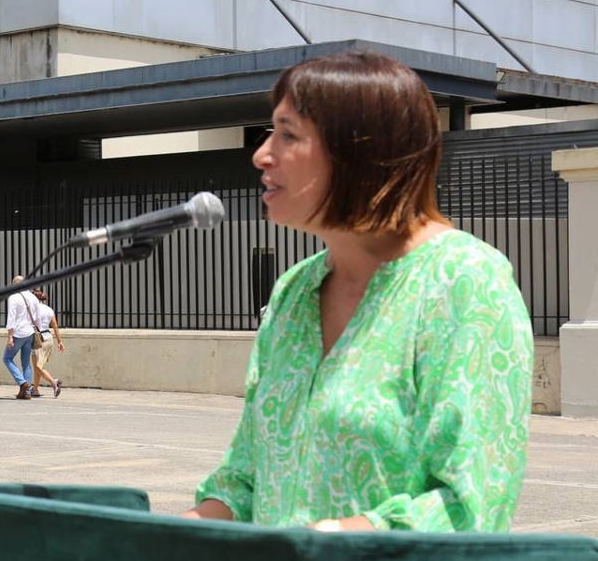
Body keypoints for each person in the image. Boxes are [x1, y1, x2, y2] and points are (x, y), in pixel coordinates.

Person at [184, 50, 533, 533]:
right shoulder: (294, 289)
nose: (261, 154)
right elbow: (247, 478)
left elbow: (470, 506)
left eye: (288, 134)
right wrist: (168, 533)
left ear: (360, 154)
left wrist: (325, 541)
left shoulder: (464, 281)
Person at [3, 275, 41, 399]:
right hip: (30, 332)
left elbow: (11, 318)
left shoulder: (13, 298)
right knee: (26, 363)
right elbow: (37, 317)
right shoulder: (33, 297)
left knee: (7, 358)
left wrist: (10, 336)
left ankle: (22, 383)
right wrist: (39, 330)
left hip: (18, 333)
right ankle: (27, 392)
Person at [29, 288, 65, 398]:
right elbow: (54, 326)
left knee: (37, 366)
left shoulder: (33, 309)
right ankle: (35, 389)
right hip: (49, 338)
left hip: (38, 338)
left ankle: (54, 382)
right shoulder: (49, 309)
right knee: (38, 366)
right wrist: (60, 341)